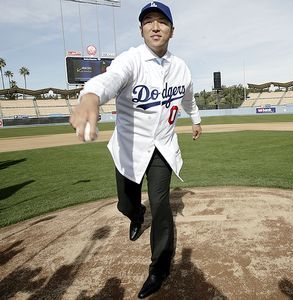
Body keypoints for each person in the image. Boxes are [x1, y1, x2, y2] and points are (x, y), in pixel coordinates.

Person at [70, 1, 202, 298]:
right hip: (130, 148)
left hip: (163, 148)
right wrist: (90, 97)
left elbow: (189, 98)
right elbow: (110, 79)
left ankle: (160, 265)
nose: (155, 26)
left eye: (162, 21)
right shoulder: (130, 60)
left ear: (172, 30)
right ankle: (135, 215)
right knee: (126, 204)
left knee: (161, 203)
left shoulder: (181, 68)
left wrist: (195, 120)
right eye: (148, 21)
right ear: (141, 29)